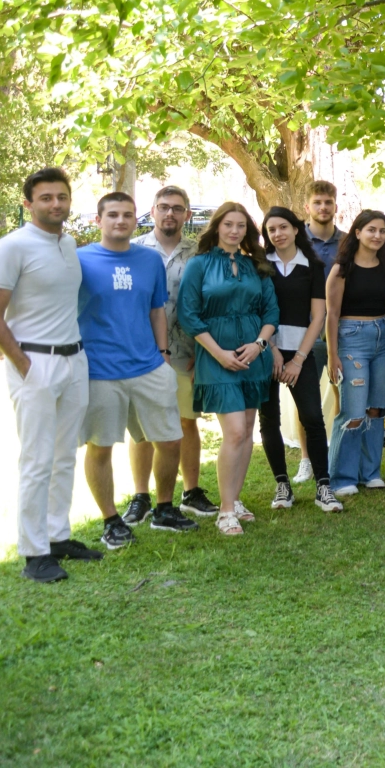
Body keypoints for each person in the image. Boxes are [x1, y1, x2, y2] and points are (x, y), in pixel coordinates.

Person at [0, 168, 97, 582]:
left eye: (61, 197)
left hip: (74, 360)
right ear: (28, 204)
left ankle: (56, 536)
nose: (55, 204)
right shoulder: (13, 247)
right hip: (35, 363)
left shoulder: (67, 243)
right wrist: (24, 365)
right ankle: (34, 553)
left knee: (65, 454)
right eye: (46, 198)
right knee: (37, 459)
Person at [77, 192, 194, 550]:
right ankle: (111, 521)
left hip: (149, 366)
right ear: (98, 220)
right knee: (101, 446)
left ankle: (164, 509)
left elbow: (157, 310)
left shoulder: (148, 260)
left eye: (127, 214)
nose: (120, 221)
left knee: (170, 438)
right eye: (112, 214)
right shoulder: (79, 260)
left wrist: (162, 354)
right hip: (99, 370)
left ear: (136, 219)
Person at [178, 203, 280, 535]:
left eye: (241, 226)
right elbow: (188, 315)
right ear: (217, 227)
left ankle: (234, 500)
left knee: (247, 431)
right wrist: (219, 354)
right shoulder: (199, 265)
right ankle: (224, 512)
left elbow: (271, 313)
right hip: (216, 356)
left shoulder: (256, 266)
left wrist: (259, 345)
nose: (234, 231)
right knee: (234, 431)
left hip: (253, 357)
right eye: (228, 224)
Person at [128, 185, 216, 519]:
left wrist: (202, 351)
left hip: (185, 352)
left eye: (177, 208)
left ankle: (191, 492)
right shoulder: (133, 250)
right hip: (140, 352)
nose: (170, 213)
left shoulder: (199, 254)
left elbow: (207, 304)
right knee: (142, 427)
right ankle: (141, 497)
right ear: (152, 211)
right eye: (163, 207)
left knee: (185, 421)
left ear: (187, 215)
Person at [258, 207, 338, 512]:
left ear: (295, 229)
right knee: (269, 420)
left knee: (313, 418)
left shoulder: (313, 265)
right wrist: (272, 350)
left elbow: (319, 316)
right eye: (271, 230)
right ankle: (283, 486)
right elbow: (257, 310)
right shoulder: (260, 265)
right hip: (266, 351)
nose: (277, 234)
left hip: (301, 352)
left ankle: (323, 487)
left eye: (283, 227)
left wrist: (298, 359)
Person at [325, 210, 385, 497]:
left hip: (383, 339)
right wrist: (332, 355)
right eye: (371, 230)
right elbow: (332, 315)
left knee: (377, 409)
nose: (377, 235)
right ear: (357, 232)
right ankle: (342, 477)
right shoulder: (341, 269)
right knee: (354, 411)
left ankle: (370, 473)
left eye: (382, 231)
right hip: (351, 339)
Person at [299, 179, 345, 482]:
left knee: (345, 394)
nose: (323, 207)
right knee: (306, 398)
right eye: (317, 202)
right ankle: (306, 459)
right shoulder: (295, 240)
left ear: (335, 206)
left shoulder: (348, 242)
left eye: (328, 202)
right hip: (306, 329)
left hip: (342, 328)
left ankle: (339, 453)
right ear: (308, 206)